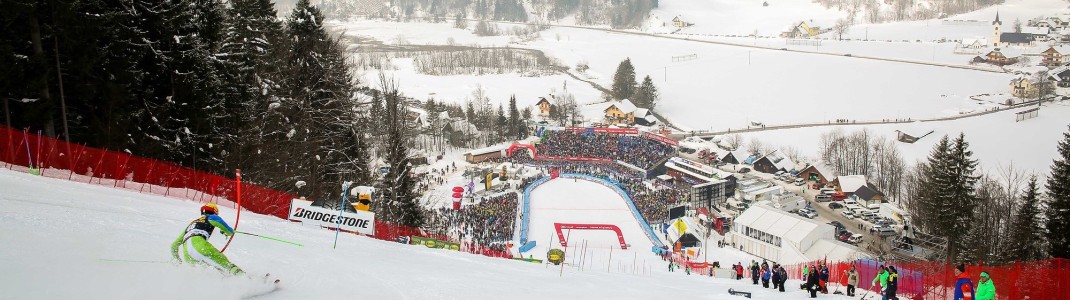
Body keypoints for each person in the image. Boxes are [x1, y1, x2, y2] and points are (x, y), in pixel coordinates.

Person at [170, 203, 242, 275]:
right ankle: (245, 279)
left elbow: (174, 245)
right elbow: (229, 231)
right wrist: (227, 231)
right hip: (199, 246)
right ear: (215, 212)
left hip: (187, 254)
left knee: (208, 275)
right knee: (227, 266)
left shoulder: (192, 224)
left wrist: (177, 260)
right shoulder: (212, 217)